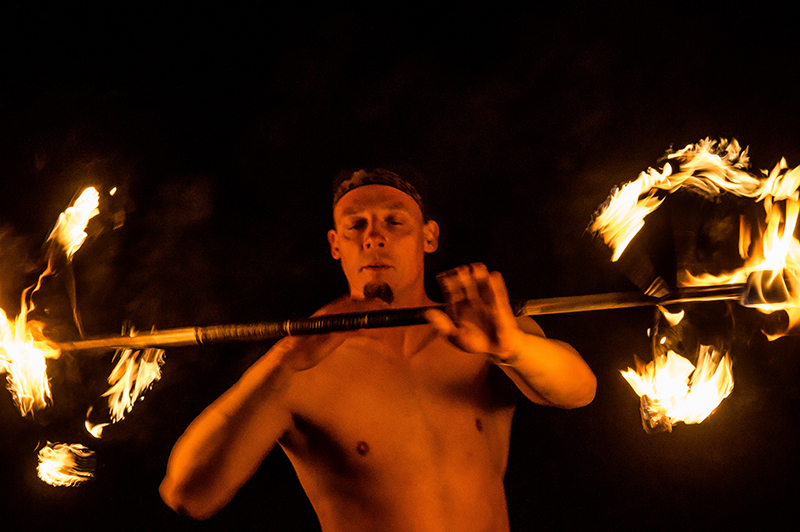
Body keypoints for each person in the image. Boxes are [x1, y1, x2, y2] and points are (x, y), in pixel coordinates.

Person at [159, 169, 596, 531]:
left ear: (428, 236)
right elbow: (188, 495)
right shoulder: (301, 364)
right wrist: (285, 359)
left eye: (393, 221)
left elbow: (580, 391)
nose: (374, 237)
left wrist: (513, 348)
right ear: (336, 244)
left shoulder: (485, 331)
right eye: (356, 225)